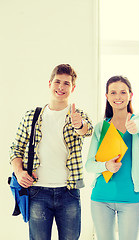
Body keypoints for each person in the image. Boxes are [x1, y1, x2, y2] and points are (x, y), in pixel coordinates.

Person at [9, 64, 93, 240]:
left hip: (69, 192)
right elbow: (16, 149)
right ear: (50, 83)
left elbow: (87, 130)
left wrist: (78, 125)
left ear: (73, 88)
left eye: (66, 83)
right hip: (38, 192)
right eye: (57, 82)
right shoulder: (31, 116)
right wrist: (19, 171)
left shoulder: (77, 115)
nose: (61, 87)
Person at [85, 76, 139, 240]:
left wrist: (132, 127)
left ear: (130, 95)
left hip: (130, 198)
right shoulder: (100, 127)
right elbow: (90, 165)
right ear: (107, 96)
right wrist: (106, 165)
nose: (118, 97)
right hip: (100, 198)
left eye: (123, 92)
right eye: (113, 92)